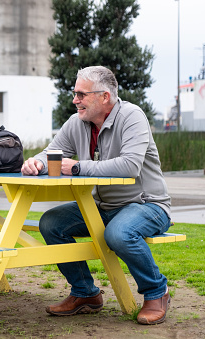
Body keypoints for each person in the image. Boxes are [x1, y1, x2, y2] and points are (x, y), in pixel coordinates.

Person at [22, 66, 172, 325]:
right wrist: (34, 163)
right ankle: (85, 293)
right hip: (102, 205)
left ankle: (157, 292)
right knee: (51, 223)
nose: (74, 100)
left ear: (104, 97)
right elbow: (51, 153)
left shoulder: (132, 116)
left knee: (119, 233)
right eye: (74, 93)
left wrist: (78, 167)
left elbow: (129, 166)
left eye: (81, 94)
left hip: (147, 205)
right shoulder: (77, 122)